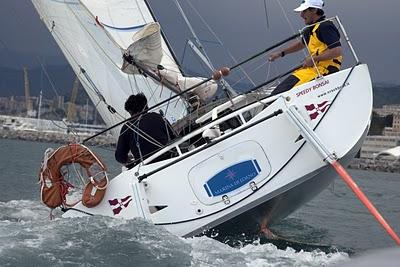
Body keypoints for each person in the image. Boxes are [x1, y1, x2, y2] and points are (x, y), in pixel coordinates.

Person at [268, 0, 342, 95]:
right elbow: (301, 44)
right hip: (313, 70)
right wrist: (280, 53)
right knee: (280, 90)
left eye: (304, 11)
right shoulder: (311, 28)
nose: (301, 15)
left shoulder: (325, 26)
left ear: (314, 10)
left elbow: (337, 51)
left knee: (281, 92)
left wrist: (313, 59)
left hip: (325, 71)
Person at [115, 93, 177, 168]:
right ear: (146, 106)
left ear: (130, 111)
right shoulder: (158, 117)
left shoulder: (127, 127)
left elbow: (120, 156)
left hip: (146, 167)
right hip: (168, 160)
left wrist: (131, 163)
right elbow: (174, 138)